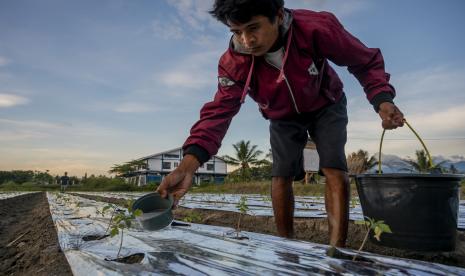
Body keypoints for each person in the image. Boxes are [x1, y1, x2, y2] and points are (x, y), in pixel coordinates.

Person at [157, 0, 404, 247]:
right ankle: (287, 248)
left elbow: (363, 60)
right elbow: (219, 112)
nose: (246, 41)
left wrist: (381, 100)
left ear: (278, 15)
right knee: (281, 175)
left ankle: (336, 251)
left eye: (253, 28)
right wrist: (187, 167)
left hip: (327, 103)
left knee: (334, 169)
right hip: (281, 115)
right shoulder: (234, 63)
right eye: (236, 32)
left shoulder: (316, 28)